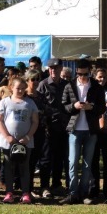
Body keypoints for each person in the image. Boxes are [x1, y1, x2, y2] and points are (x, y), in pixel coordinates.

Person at [60, 59, 106, 205]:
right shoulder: (70, 86)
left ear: (90, 72)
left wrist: (91, 107)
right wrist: (74, 106)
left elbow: (102, 108)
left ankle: (84, 193)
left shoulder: (97, 87)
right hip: (74, 129)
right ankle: (73, 193)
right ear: (76, 72)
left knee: (87, 164)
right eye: (79, 74)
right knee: (72, 162)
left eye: (85, 74)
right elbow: (63, 107)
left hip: (90, 130)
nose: (82, 77)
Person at [0, 77, 39, 204]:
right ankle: (9, 192)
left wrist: (28, 137)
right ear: (11, 88)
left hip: (25, 142)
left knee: (24, 167)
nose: (20, 90)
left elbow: (35, 121)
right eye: (17, 88)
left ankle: (25, 193)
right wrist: (7, 136)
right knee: (9, 166)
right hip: (8, 142)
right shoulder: (4, 102)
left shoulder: (30, 103)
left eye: (22, 88)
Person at [37, 58, 70, 198]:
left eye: (56, 68)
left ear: (61, 68)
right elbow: (38, 105)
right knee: (46, 158)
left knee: (60, 158)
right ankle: (44, 186)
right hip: (48, 127)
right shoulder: (43, 85)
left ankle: (56, 184)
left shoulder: (67, 85)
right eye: (51, 68)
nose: (53, 71)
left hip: (63, 127)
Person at [90, 67, 107, 199]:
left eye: (104, 77)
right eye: (99, 77)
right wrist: (100, 106)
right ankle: (94, 188)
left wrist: (98, 107)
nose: (102, 79)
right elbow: (91, 106)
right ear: (94, 77)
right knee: (94, 160)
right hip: (94, 128)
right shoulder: (91, 90)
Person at [24, 69, 46, 195]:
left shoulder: (41, 95)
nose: (36, 82)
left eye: (38, 79)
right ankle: (26, 188)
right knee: (26, 161)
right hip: (26, 131)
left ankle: (31, 188)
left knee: (35, 160)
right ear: (27, 80)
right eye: (33, 79)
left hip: (40, 131)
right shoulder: (23, 96)